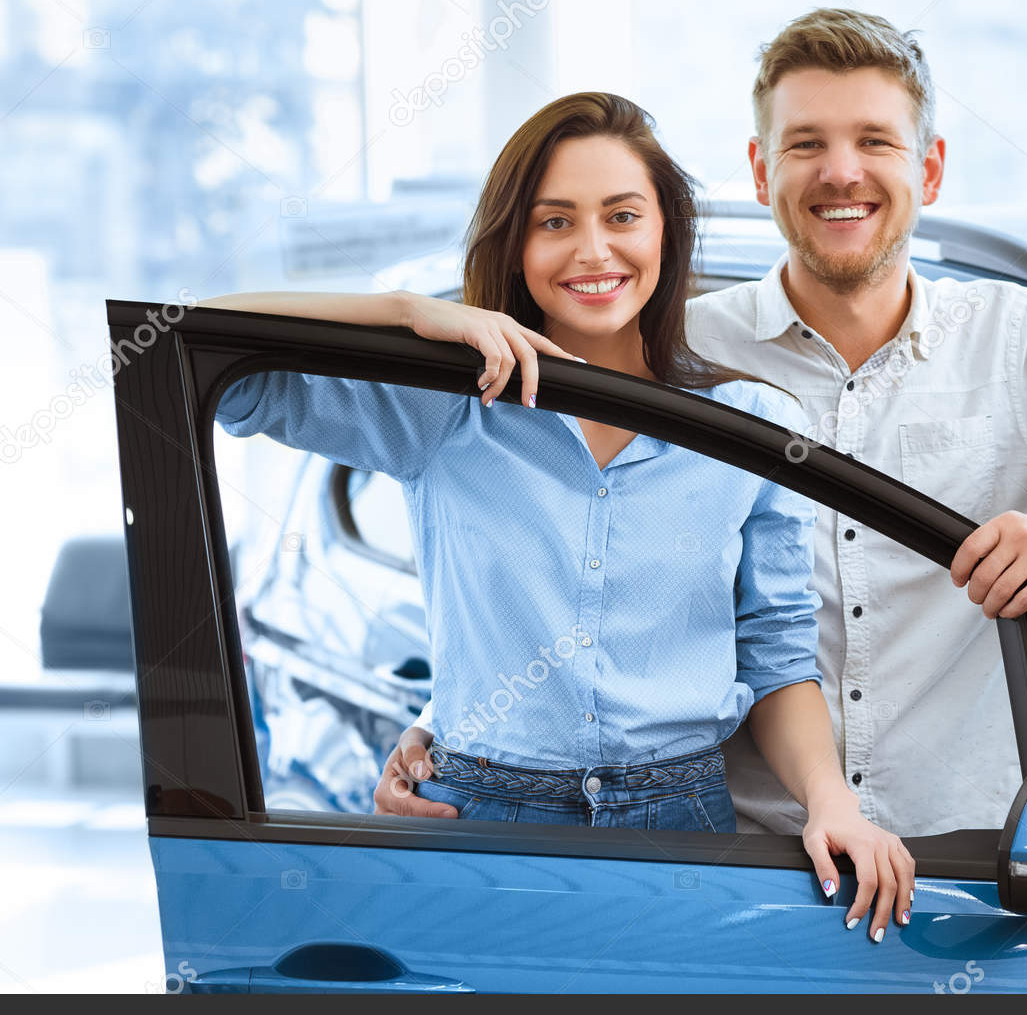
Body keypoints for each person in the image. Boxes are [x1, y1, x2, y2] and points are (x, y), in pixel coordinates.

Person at [378, 8, 1027, 842]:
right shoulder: (673, 357)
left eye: (874, 141)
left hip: (964, 858)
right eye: (805, 144)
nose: (840, 172)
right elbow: (558, 530)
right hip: (738, 854)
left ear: (928, 168)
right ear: (763, 169)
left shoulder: (1016, 344)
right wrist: (456, 726)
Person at [204, 91, 915, 943]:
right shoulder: (446, 411)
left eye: (623, 215)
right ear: (516, 242)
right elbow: (217, 357)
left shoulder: (751, 428)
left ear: (664, 231)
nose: (593, 250)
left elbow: (777, 654)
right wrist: (406, 312)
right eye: (554, 222)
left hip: (679, 821)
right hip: (483, 815)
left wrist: (832, 802)